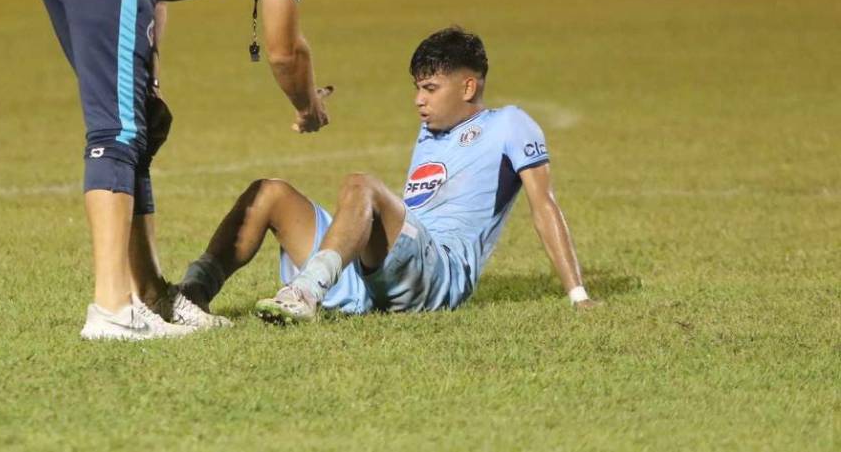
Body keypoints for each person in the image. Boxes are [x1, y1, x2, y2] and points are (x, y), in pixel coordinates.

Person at [32, 0, 337, 340]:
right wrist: (308, 106)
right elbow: (286, 50)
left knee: (139, 125)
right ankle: (112, 308)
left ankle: (153, 297)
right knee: (118, 130)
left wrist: (150, 74)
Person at [177, 26, 597, 323]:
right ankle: (190, 297)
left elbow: (544, 205)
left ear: (468, 88)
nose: (418, 100)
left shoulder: (510, 124)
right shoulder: (430, 130)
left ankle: (306, 291)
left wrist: (578, 295)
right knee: (268, 193)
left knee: (362, 185)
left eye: (430, 88)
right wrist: (310, 107)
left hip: (439, 274)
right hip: (388, 266)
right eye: (417, 87)